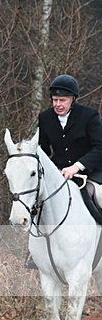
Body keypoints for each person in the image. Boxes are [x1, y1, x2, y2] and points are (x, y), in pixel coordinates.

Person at [25, 74, 102, 268]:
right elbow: (41, 151)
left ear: (72, 100)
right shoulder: (45, 118)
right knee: (38, 201)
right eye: (55, 100)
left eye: (63, 100)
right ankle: (35, 253)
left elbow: (99, 147)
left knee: (97, 196)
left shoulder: (89, 116)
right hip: (59, 174)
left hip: (89, 173)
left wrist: (77, 166)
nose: (58, 104)